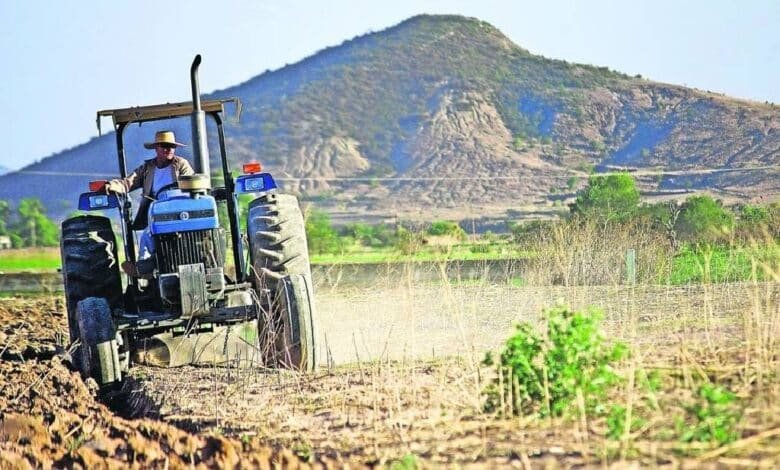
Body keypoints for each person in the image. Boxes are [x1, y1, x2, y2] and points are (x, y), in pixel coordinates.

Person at [106, 130, 194, 276]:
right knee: (148, 234)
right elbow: (129, 182)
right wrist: (113, 185)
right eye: (164, 145)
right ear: (156, 148)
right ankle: (145, 270)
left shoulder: (181, 165)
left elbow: (191, 182)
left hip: (179, 210)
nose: (168, 149)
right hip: (157, 212)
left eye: (171, 146)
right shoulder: (148, 168)